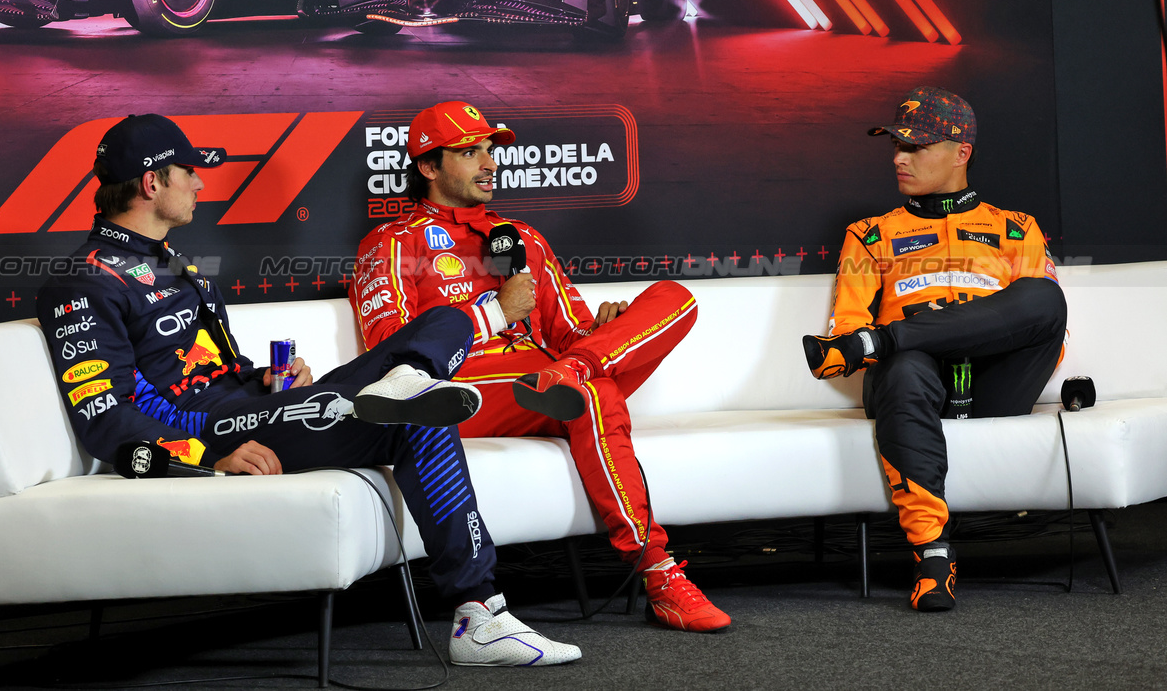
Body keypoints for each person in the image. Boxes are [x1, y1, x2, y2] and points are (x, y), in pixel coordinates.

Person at [36, 113, 581, 667]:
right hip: (212, 431)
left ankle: (410, 378)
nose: (200, 183)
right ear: (152, 183)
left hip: (254, 408)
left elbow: (211, 369)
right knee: (418, 417)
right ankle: (480, 613)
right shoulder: (83, 283)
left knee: (430, 334)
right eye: (189, 172)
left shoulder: (179, 265)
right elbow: (106, 418)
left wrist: (268, 379)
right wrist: (208, 458)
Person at [353, 101, 731, 633]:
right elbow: (391, 356)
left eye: (490, 151)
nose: (489, 163)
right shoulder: (393, 243)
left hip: (551, 378)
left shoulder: (521, 239)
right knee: (592, 393)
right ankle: (659, 573)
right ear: (429, 167)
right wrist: (493, 312)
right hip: (464, 395)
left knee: (674, 297)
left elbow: (567, 331)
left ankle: (578, 371)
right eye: (469, 152)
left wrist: (602, 333)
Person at [802, 87, 1066, 612]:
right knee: (902, 365)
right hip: (912, 383)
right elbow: (844, 335)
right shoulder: (871, 235)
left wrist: (898, 334)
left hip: (994, 382)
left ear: (961, 151)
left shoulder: (1016, 229)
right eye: (896, 146)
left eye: (916, 147)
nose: (899, 158)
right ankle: (932, 555)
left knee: (1044, 296)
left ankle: (893, 336)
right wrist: (887, 344)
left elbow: (1044, 336)